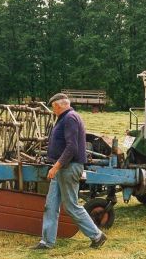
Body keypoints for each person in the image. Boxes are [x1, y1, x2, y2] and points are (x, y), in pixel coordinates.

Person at [32, 93, 107, 250]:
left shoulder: (70, 118)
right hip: (62, 168)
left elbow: (72, 147)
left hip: (69, 167)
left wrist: (55, 166)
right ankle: (47, 242)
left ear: (60, 105)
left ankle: (97, 236)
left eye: (54, 108)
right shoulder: (64, 118)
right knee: (51, 205)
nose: (54, 111)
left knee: (71, 206)